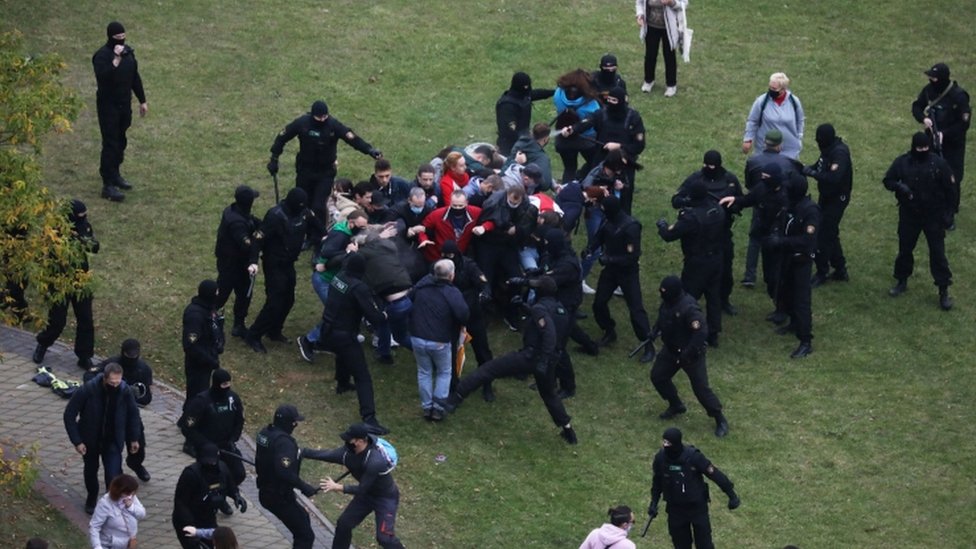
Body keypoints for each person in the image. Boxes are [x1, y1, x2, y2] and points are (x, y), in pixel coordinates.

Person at [445, 276, 578, 445]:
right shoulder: (561, 310)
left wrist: (542, 359)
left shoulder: (540, 309)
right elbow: (551, 325)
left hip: (531, 357)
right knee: (550, 394)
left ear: (541, 292)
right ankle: (568, 430)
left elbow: (549, 333)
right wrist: (525, 307)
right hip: (551, 362)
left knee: (488, 369)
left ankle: (454, 399)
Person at [267, 99, 381, 223]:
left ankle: (318, 235)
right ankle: (299, 227)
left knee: (318, 206)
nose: (322, 120)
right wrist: (274, 158)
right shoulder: (302, 123)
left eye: (324, 117)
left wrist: (369, 150)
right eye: (319, 117)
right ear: (312, 115)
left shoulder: (333, 125)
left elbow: (352, 138)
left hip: (325, 173)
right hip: (305, 170)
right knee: (302, 203)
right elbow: (282, 137)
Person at [244, 187, 325, 353]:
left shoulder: (304, 213)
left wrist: (325, 238)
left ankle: (274, 330)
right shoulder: (275, 216)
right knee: (275, 302)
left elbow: (319, 228)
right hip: (274, 263)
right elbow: (258, 238)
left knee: (288, 300)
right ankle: (254, 334)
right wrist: (253, 261)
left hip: (288, 263)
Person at [319, 253, 391, 434]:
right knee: (362, 376)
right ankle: (369, 418)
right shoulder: (358, 287)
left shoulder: (339, 277)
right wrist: (383, 314)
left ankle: (342, 383)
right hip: (344, 334)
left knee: (342, 355)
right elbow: (373, 316)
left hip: (328, 329)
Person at [883, 132, 956, 310]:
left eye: (925, 148)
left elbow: (951, 191)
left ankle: (943, 290)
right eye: (919, 148)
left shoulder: (938, 165)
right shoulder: (902, 162)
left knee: (938, 253)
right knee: (905, 248)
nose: (922, 151)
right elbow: (888, 180)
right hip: (910, 213)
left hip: (933, 215)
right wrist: (900, 187)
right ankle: (902, 280)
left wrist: (949, 214)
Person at [649, 276, 729, 437]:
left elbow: (700, 333)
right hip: (671, 350)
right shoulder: (668, 302)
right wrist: (655, 331)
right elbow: (663, 317)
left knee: (701, 389)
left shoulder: (689, 308)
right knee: (658, 376)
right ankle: (675, 404)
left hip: (691, 354)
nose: (662, 296)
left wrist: (687, 354)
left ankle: (719, 418)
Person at [306, 423, 405, 549]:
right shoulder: (348, 453)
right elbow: (325, 455)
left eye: (349, 440)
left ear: (359, 441)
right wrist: (301, 452)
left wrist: (338, 487)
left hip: (385, 498)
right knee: (344, 524)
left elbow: (362, 489)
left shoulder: (375, 461)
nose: (346, 442)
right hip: (366, 495)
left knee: (385, 538)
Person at [583, 196, 655, 363]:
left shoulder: (631, 227)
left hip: (628, 273)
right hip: (610, 271)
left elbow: (633, 256)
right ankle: (609, 330)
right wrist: (589, 249)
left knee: (636, 309)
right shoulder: (608, 222)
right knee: (599, 303)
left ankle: (648, 344)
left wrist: (609, 260)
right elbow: (599, 237)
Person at [64, 363, 142, 514]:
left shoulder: (125, 391)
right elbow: (69, 415)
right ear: (105, 379)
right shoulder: (88, 390)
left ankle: (110, 503)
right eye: (112, 382)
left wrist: (134, 438)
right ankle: (92, 497)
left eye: (118, 382)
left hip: (113, 440)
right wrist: (77, 441)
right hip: (90, 440)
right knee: (91, 470)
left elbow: (133, 416)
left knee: (113, 475)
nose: (115, 385)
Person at [671, 150, 743, 315]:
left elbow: (739, 200)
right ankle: (687, 302)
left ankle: (723, 299)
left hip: (722, 231)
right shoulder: (696, 179)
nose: (709, 168)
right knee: (692, 272)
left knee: (725, 269)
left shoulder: (729, 180)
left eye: (713, 166)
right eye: (707, 166)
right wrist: (692, 202)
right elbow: (676, 200)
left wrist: (731, 207)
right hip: (698, 233)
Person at [657, 179, 727, 347]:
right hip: (716, 258)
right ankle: (713, 333)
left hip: (697, 261)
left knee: (686, 298)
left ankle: (683, 328)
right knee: (713, 297)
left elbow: (669, 235)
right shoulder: (716, 208)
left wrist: (662, 225)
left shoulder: (691, 217)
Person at [32, 199, 99, 369]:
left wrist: (84, 239)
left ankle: (84, 355)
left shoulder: (84, 226)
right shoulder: (54, 231)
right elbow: (44, 254)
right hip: (60, 280)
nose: (83, 219)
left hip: (80, 279)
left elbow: (94, 247)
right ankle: (43, 343)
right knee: (57, 320)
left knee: (85, 320)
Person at [647, 428, 740, 549]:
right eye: (664, 442)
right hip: (675, 509)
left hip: (697, 508)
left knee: (704, 544)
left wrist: (731, 495)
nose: (665, 445)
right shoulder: (661, 459)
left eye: (669, 443)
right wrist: (653, 503)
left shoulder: (693, 457)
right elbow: (657, 483)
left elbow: (714, 474)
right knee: (681, 544)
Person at [566, 87, 646, 213]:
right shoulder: (602, 114)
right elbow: (587, 122)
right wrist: (573, 129)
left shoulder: (633, 118)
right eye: (609, 100)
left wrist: (619, 146)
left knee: (624, 194)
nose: (611, 104)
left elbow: (639, 145)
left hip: (624, 162)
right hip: (602, 161)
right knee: (596, 190)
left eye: (614, 100)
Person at [92, 21, 147, 202]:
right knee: (110, 144)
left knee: (121, 140)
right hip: (108, 107)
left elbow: (134, 77)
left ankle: (115, 173)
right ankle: (107, 184)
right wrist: (115, 60)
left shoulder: (128, 54)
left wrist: (142, 100)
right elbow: (103, 77)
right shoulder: (102, 56)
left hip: (124, 105)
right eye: (118, 38)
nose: (121, 41)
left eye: (123, 38)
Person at [410, 259, 469, 421]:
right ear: (451, 275)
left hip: (417, 337)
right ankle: (437, 408)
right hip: (439, 340)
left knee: (424, 372)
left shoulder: (421, 287)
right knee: (444, 372)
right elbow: (463, 314)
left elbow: (410, 298)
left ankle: (426, 406)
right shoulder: (452, 292)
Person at [254, 405, 321, 549]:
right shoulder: (284, 443)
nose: (295, 425)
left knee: (303, 518)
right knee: (305, 536)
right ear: (288, 423)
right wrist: (305, 487)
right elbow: (284, 472)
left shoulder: (265, 433)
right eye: (294, 422)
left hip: (266, 490)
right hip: (278, 496)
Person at [768, 176, 820, 358]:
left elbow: (807, 241)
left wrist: (782, 241)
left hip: (801, 259)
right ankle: (793, 322)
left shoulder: (810, 211)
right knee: (786, 290)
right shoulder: (789, 203)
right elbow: (780, 221)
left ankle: (806, 340)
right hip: (787, 257)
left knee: (801, 300)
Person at [740, 130, 800, 290]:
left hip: (759, 203)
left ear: (765, 143)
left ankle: (749, 276)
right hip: (780, 207)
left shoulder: (753, 161)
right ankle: (777, 275)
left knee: (754, 238)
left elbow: (748, 184)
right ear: (780, 145)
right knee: (778, 240)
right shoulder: (788, 163)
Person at [912, 62, 970, 223]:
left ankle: (950, 209)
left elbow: (964, 123)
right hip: (932, 138)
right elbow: (917, 106)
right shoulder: (929, 91)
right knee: (928, 169)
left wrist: (946, 134)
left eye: (934, 77)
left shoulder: (958, 96)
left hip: (953, 143)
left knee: (952, 175)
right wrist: (924, 119)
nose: (931, 80)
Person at [88, 339, 153, 482]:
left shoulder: (143, 369)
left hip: (130, 413)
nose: (132, 359)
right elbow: (89, 376)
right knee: (112, 448)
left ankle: (135, 464)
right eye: (129, 356)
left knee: (139, 443)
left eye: (134, 356)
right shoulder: (111, 365)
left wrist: (136, 395)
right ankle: (116, 473)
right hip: (110, 413)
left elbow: (147, 396)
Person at [179, 368, 246, 490]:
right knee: (211, 479)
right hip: (208, 448)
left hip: (227, 445)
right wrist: (205, 445)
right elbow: (187, 427)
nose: (227, 387)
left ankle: (224, 492)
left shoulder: (233, 399)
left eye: (228, 383)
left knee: (238, 473)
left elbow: (239, 420)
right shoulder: (202, 401)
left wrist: (233, 438)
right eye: (223, 384)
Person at [805, 124, 852, 287]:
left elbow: (833, 177)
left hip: (837, 198)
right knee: (830, 232)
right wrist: (806, 169)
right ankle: (840, 268)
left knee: (823, 234)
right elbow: (819, 164)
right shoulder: (828, 149)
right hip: (827, 196)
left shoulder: (839, 153)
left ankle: (822, 271)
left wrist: (813, 174)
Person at [172, 443, 244, 549]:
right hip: (189, 518)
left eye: (213, 462)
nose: (210, 464)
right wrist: (189, 524)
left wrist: (236, 496)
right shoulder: (191, 474)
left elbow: (230, 485)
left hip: (208, 515)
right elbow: (181, 502)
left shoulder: (222, 469)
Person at [214, 185, 261, 337]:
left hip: (231, 261)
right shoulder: (237, 224)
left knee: (243, 295)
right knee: (227, 292)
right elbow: (248, 244)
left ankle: (238, 323)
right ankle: (211, 317)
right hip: (233, 264)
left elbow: (251, 220)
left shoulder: (232, 210)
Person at [552, 69, 602, 183]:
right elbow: (593, 119)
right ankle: (582, 183)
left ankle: (565, 193)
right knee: (594, 164)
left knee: (569, 169)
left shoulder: (558, 95)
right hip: (586, 139)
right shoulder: (591, 105)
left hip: (563, 139)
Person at [742, 72, 805, 160]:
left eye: (774, 89)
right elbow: (753, 121)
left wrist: (799, 137)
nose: (771, 90)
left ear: (783, 89)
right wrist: (748, 139)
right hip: (765, 150)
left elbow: (800, 120)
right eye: (770, 87)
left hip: (789, 150)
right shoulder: (761, 101)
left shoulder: (794, 101)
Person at [182, 280, 224, 408]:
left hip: (207, 360)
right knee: (196, 395)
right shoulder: (195, 315)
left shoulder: (210, 310)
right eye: (216, 292)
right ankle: (188, 422)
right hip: (198, 363)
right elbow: (191, 345)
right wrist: (209, 359)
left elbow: (215, 330)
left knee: (201, 394)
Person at [636, 0, 687, 97]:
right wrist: (640, 15)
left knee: (669, 56)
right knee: (650, 55)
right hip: (651, 26)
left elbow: (684, 4)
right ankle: (648, 80)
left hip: (669, 29)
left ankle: (671, 85)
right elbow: (639, 2)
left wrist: (671, 2)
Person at [495, 72, 555, 155]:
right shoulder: (507, 106)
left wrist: (555, 92)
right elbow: (509, 131)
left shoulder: (523, 96)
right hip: (509, 145)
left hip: (523, 140)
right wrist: (527, 139)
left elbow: (537, 94)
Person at [419, 190, 482, 262]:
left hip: (461, 257)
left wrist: (484, 227)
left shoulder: (475, 212)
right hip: (438, 256)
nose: (458, 208)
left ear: (466, 203)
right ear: (450, 202)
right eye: (454, 205)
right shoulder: (437, 214)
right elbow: (422, 228)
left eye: (461, 205)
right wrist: (423, 239)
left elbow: (489, 219)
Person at [88, 473, 145, 549]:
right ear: (119, 491)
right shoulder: (105, 503)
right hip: (109, 545)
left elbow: (142, 514)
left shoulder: (131, 496)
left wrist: (131, 507)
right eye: (128, 493)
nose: (131, 496)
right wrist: (97, 546)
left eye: (133, 493)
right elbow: (94, 526)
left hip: (128, 543)